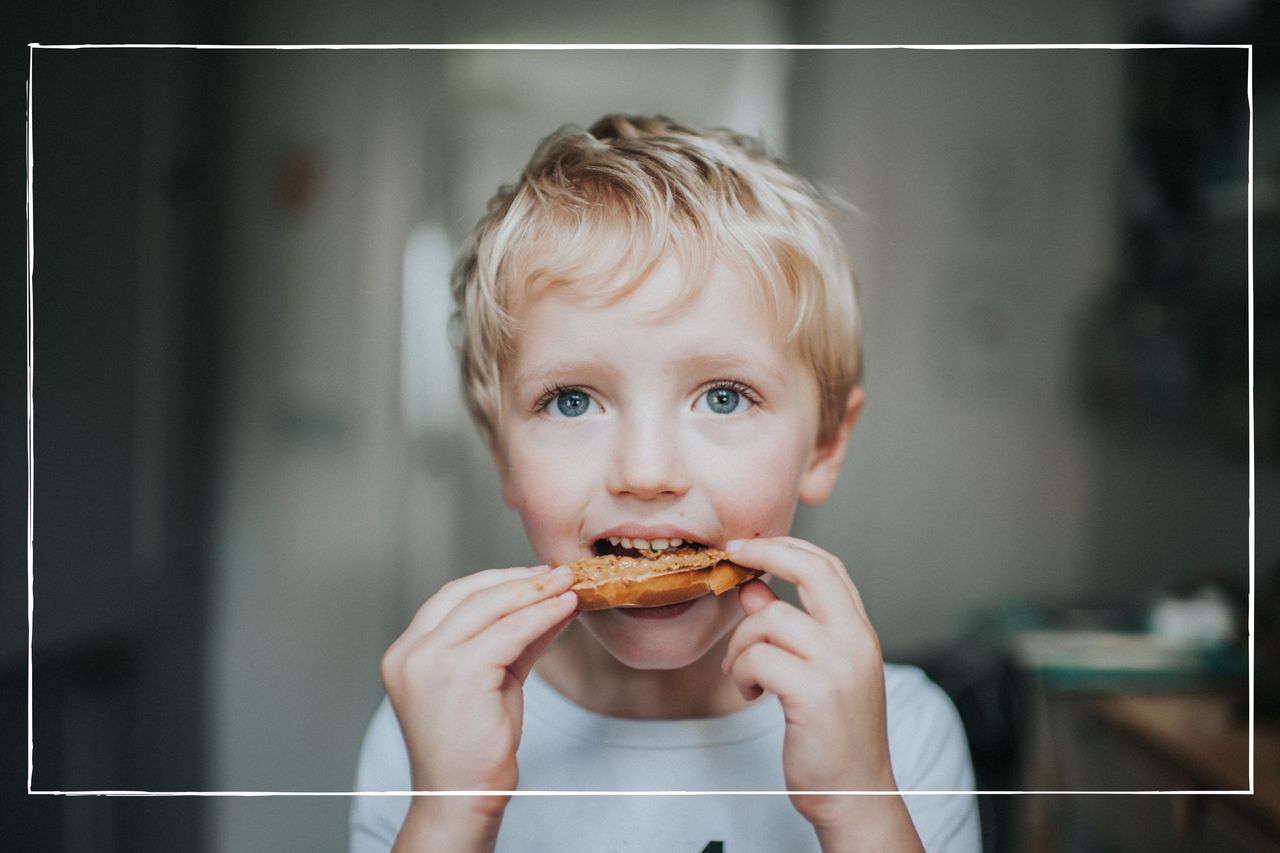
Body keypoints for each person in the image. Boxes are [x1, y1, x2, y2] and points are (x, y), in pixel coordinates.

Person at [350, 114, 981, 852]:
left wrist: (861, 805)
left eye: (723, 396)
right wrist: (450, 813)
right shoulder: (429, 725)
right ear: (501, 455)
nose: (646, 473)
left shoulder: (900, 735)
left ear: (825, 442)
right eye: (572, 400)